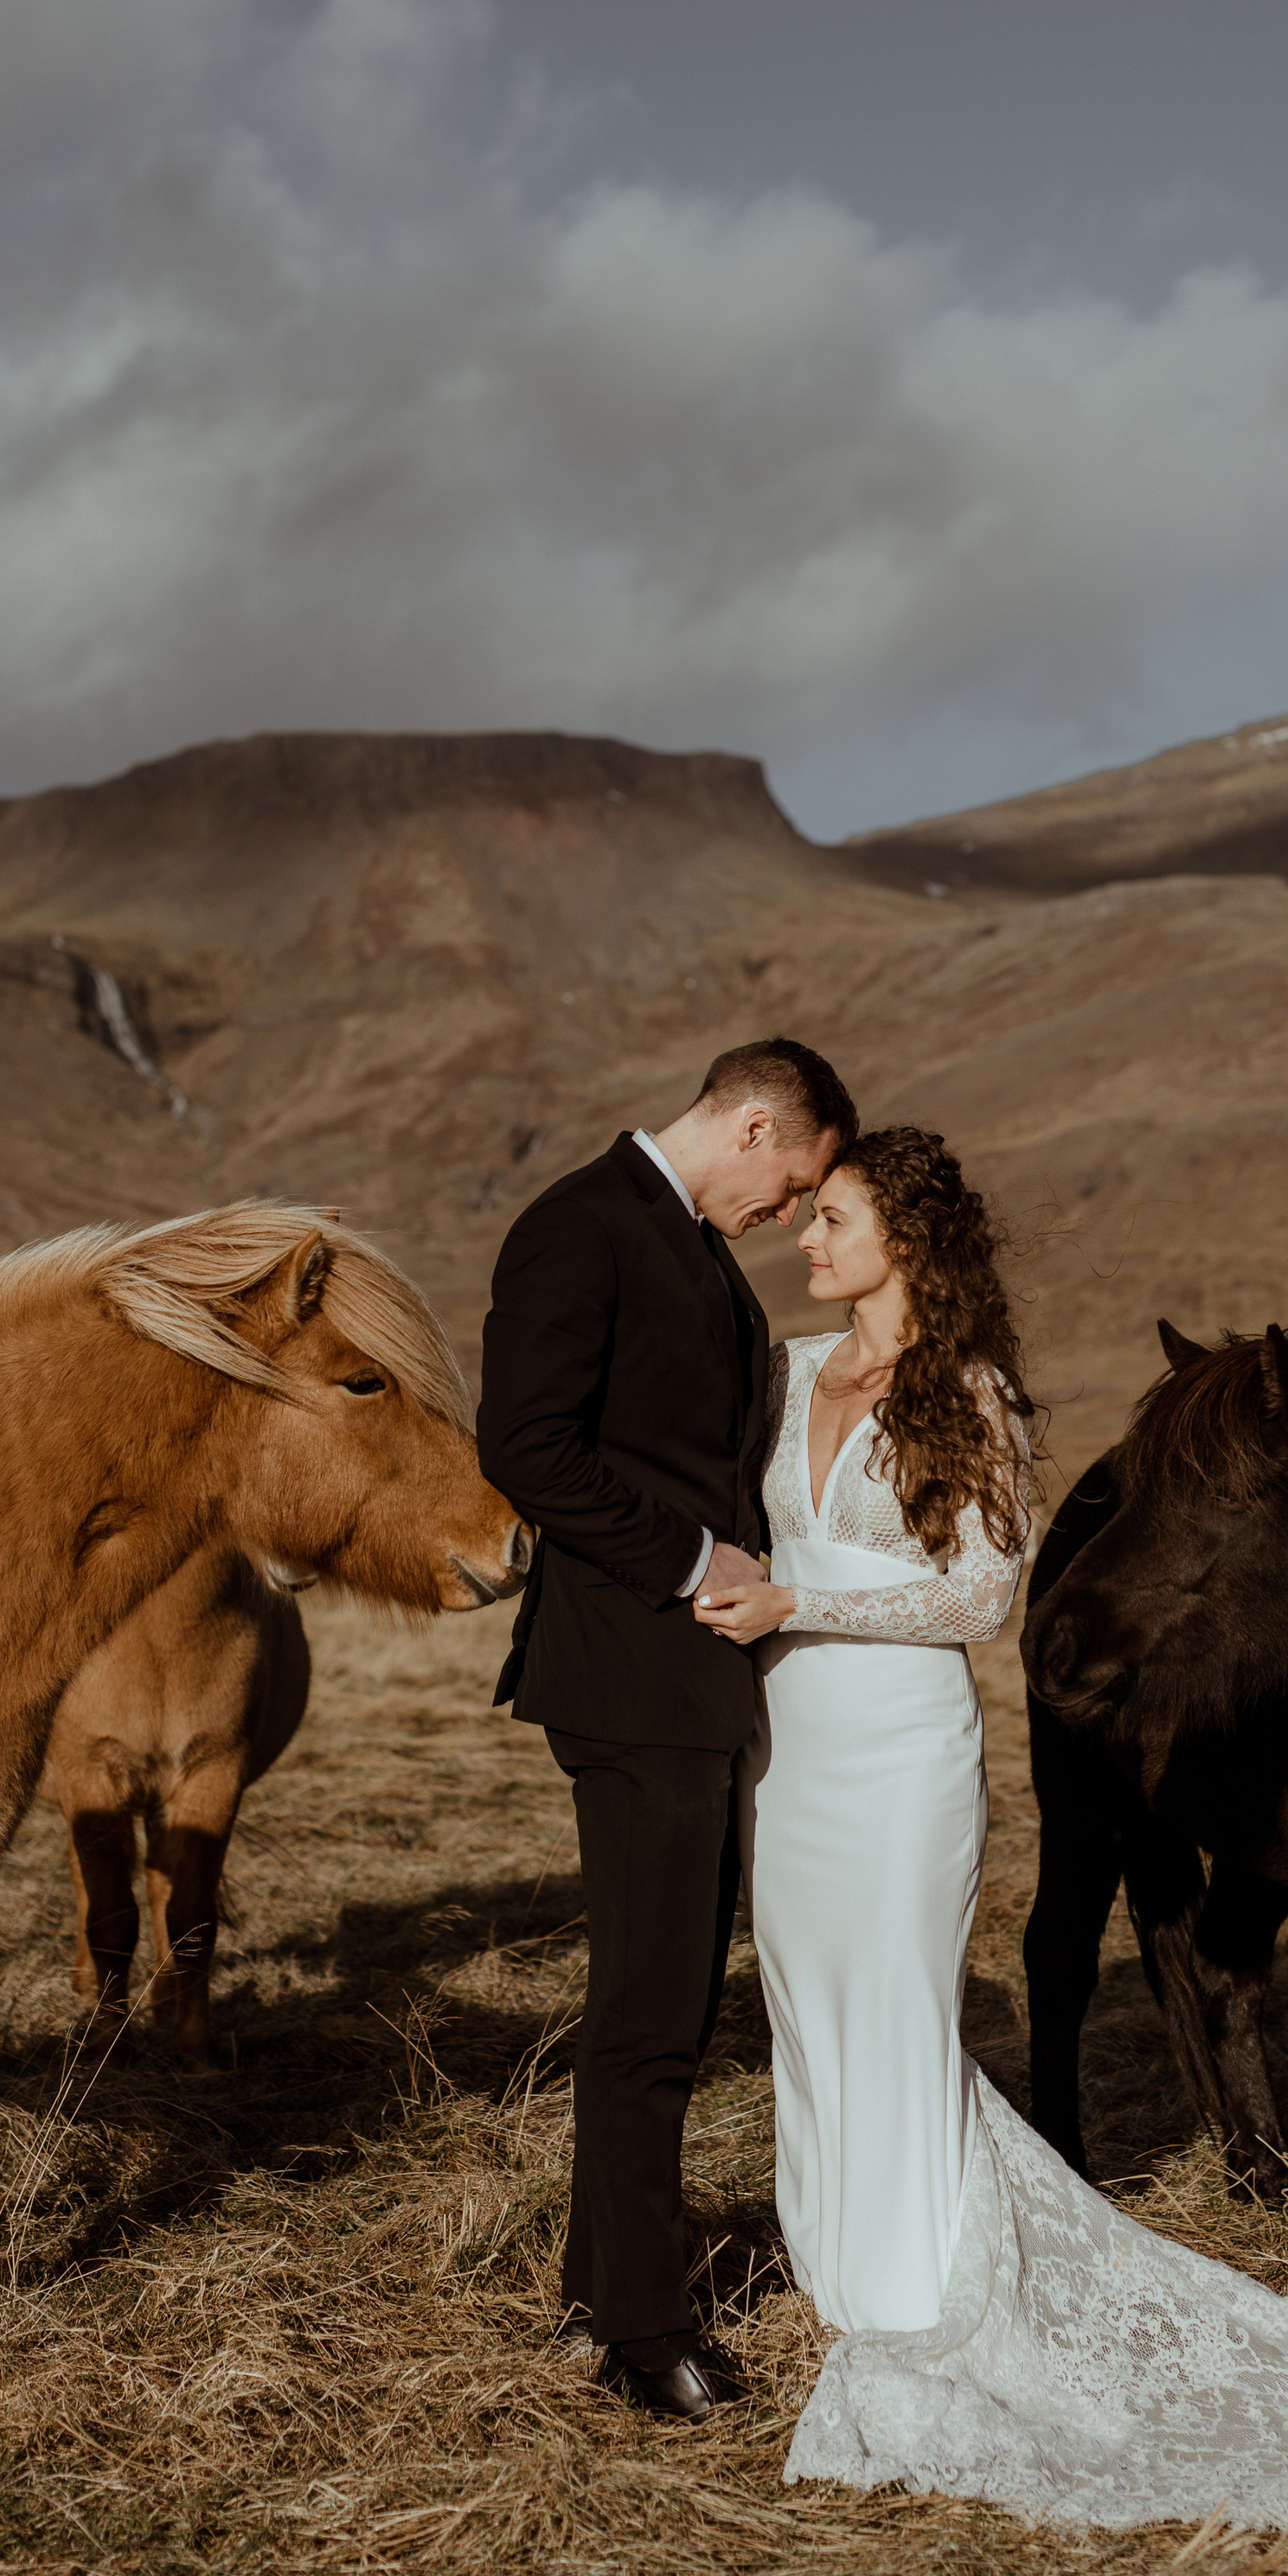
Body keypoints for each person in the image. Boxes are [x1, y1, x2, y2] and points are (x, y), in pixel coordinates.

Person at [697, 1126, 1288, 2531]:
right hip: (795, 1750)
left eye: (831, 1217)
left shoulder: (975, 1397)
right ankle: (841, 2258)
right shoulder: (782, 1373)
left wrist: (798, 1605)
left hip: (887, 1745)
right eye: (808, 1215)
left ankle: (919, 2273)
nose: (802, 1240)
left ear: (908, 1240)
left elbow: (975, 1597)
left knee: (890, 2004)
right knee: (808, 2008)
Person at [477, 1037, 855, 2420]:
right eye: (796, 1182)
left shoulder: (683, 1239)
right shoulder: (581, 1225)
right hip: (629, 1673)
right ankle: (643, 2332)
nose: (788, 1215)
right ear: (755, 1125)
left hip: (678, 1682)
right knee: (648, 2017)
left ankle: (600, 2288)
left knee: (669, 2002)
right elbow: (523, 1444)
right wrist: (699, 1563)